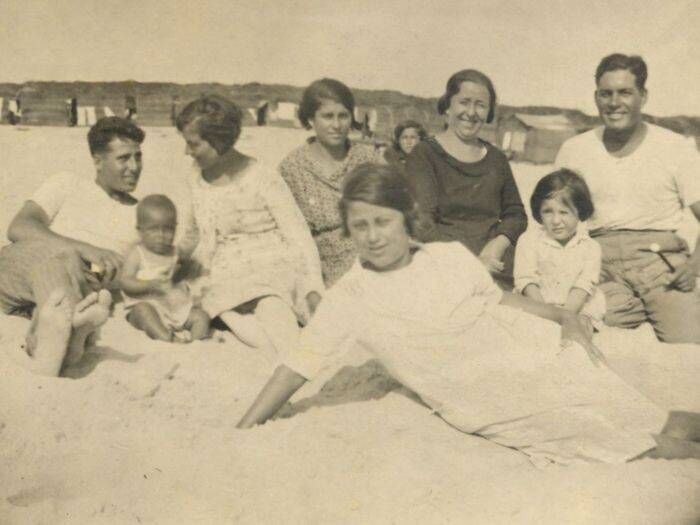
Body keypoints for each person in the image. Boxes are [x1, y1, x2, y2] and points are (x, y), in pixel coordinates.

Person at [237, 162, 700, 465]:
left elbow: (499, 302)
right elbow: (296, 366)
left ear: (405, 217)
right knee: (624, 442)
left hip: (525, 354)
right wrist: (242, 430)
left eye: (383, 221)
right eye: (360, 226)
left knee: (650, 416)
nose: (373, 236)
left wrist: (562, 317)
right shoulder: (350, 297)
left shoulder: (447, 257)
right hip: (484, 395)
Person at [556, 54, 700, 343]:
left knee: (690, 345)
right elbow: (555, 216)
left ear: (643, 96)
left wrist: (694, 266)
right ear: (596, 97)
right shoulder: (575, 149)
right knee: (578, 334)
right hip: (600, 264)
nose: (614, 102)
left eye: (624, 92)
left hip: (659, 263)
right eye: (605, 94)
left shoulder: (675, 147)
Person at [175, 95, 324, 354]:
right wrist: (170, 258)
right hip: (222, 269)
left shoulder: (261, 176)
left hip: (269, 264)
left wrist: (313, 286)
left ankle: (292, 352)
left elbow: (297, 234)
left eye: (193, 144)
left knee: (268, 302)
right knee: (223, 307)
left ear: (219, 141)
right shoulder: (195, 176)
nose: (187, 152)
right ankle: (284, 354)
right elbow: (192, 233)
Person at [0, 116, 145, 376]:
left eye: (138, 157)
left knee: (70, 289)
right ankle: (72, 330)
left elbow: (140, 275)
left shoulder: (143, 215)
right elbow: (20, 227)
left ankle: (61, 340)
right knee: (63, 259)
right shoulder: (66, 183)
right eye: (124, 158)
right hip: (22, 267)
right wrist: (84, 249)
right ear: (98, 161)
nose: (134, 167)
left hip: (82, 281)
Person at [405, 69, 527, 289]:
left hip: (495, 267)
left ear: (489, 112)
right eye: (464, 102)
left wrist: (498, 244)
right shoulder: (424, 155)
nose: (471, 113)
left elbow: (516, 214)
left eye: (480, 105)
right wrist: (471, 264)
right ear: (448, 106)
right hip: (443, 268)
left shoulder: (497, 159)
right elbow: (423, 224)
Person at [279, 78, 384, 286]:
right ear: (311, 119)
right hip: (325, 273)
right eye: (327, 116)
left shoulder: (369, 159)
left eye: (343, 116)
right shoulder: (292, 169)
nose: (336, 125)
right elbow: (288, 236)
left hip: (375, 259)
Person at [514, 169, 606, 332]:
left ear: (580, 212)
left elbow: (583, 287)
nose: (556, 220)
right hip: (537, 305)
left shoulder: (590, 247)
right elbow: (526, 281)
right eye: (547, 212)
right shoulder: (528, 240)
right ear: (538, 211)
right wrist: (547, 317)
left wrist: (565, 317)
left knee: (586, 319)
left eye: (564, 212)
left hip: (575, 307)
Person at [120, 195, 210, 343]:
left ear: (175, 228)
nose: (161, 235)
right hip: (148, 305)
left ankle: (196, 343)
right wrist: (150, 285)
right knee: (143, 312)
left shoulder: (175, 252)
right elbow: (125, 282)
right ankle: (168, 338)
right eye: (153, 229)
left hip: (175, 309)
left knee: (202, 316)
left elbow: (186, 260)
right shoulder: (138, 253)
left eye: (168, 229)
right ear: (140, 230)